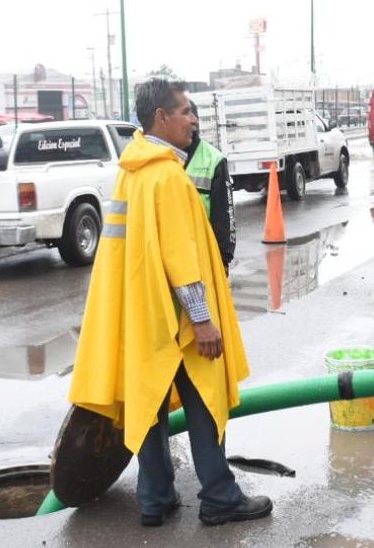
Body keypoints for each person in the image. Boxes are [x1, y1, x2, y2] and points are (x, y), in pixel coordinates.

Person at [67, 79, 271, 528]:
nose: (193, 120)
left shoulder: (130, 172)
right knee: (203, 399)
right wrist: (202, 321)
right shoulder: (167, 178)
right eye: (185, 112)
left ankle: (155, 499)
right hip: (176, 320)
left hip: (141, 316)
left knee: (151, 403)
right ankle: (220, 496)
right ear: (162, 117)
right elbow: (181, 260)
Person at [185, 100, 235, 272]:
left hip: (204, 257)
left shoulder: (213, 160)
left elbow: (224, 215)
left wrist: (224, 258)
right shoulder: (165, 157)